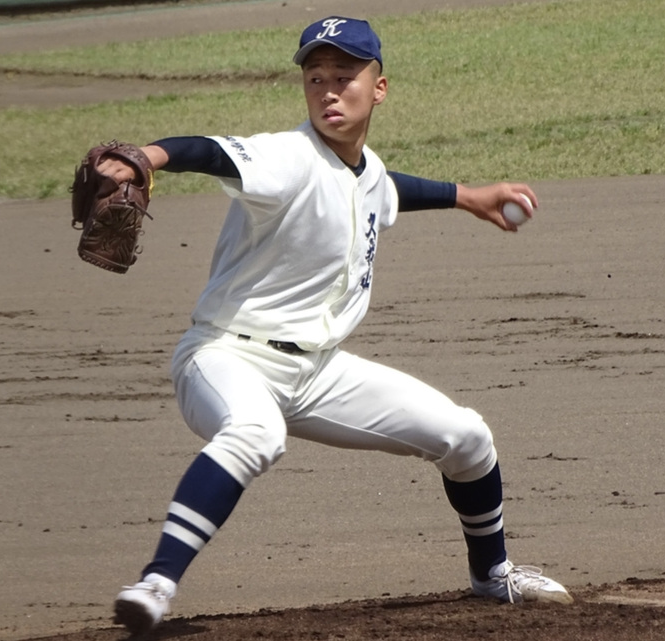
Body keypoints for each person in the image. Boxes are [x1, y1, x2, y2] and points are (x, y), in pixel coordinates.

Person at [96, 16, 572, 635]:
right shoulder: (286, 155)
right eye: (315, 77)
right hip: (226, 357)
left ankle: (493, 575)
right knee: (255, 433)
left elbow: (382, 187)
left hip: (317, 371)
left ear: (379, 88)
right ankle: (155, 585)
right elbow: (211, 150)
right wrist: (147, 158)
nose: (328, 91)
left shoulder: (364, 169)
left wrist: (468, 196)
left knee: (467, 436)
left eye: (344, 77)